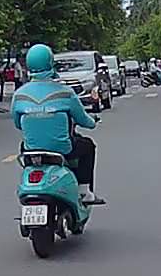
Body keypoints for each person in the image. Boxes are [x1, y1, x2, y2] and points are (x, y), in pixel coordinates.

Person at [12, 44, 100, 203]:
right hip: (62, 150)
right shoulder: (65, 92)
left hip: (32, 151)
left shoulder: (19, 95)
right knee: (88, 146)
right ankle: (84, 191)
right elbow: (84, 120)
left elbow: (18, 124)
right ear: (50, 63)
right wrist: (93, 122)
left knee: (23, 145)